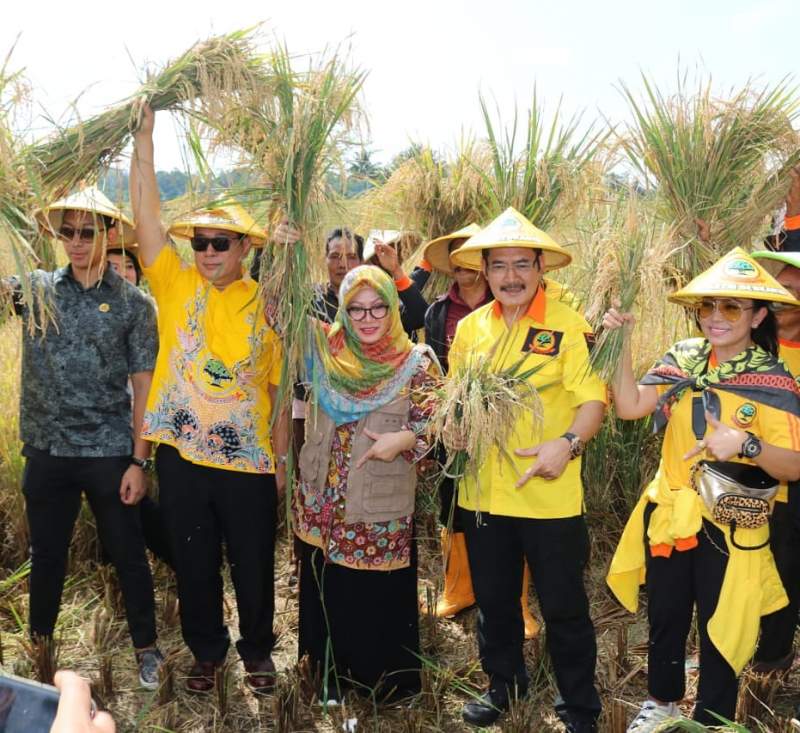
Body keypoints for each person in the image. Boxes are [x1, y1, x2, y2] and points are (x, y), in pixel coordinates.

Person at [605, 247, 800, 730]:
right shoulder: (683, 358)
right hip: (671, 512)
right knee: (666, 615)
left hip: (733, 522)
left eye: (732, 307)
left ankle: (713, 717)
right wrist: (619, 343)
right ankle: (663, 703)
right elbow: (629, 406)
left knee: (723, 620)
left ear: (758, 316)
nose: (716, 317)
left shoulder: (776, 381)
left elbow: (794, 466)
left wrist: (746, 443)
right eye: (707, 307)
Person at [130, 104, 287, 695]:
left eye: (220, 243)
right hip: (183, 456)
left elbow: (276, 391)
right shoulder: (175, 284)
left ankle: (257, 652)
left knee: (252, 566)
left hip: (247, 460)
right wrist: (144, 143)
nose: (208, 252)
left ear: (244, 247)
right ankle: (207, 651)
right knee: (194, 565)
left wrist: (278, 461)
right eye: (200, 242)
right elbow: (145, 216)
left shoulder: (268, 302)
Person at [443, 207, 607, 730]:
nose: (511, 277)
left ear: (541, 269)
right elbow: (455, 402)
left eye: (522, 265)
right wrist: (453, 427)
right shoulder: (470, 330)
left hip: (550, 495)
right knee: (494, 603)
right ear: (484, 272)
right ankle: (504, 686)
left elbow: (592, 403)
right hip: (484, 493)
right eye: (499, 266)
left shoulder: (566, 324)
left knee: (562, 606)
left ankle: (578, 704)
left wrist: (568, 443)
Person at [2, 186, 162, 689]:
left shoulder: (134, 305)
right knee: (47, 556)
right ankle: (40, 652)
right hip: (47, 450)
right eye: (66, 231)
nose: (74, 242)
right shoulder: (37, 290)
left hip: (108, 451)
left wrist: (141, 461)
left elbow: (143, 388)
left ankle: (147, 650)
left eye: (86, 232)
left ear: (109, 235)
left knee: (127, 554)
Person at [293, 265, 438, 703]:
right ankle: (327, 679)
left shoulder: (417, 363)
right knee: (324, 587)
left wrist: (405, 438)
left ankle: (383, 686)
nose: (368, 318)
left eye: (378, 307)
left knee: (374, 593)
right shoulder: (322, 348)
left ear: (393, 308)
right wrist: (283, 248)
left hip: (376, 504)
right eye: (356, 309)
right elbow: (274, 311)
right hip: (321, 501)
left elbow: (443, 427)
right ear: (343, 311)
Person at [749, 245, 800, 674]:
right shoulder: (753, 348)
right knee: (768, 567)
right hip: (761, 478)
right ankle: (768, 653)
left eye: (794, 293)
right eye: (779, 289)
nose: (784, 299)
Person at [363, 231, 428, 333]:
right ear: (375, 259)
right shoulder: (367, 299)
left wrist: (430, 258)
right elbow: (420, 317)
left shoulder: (397, 288)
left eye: (396, 251)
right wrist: (395, 269)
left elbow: (417, 279)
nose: (393, 256)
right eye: (385, 252)